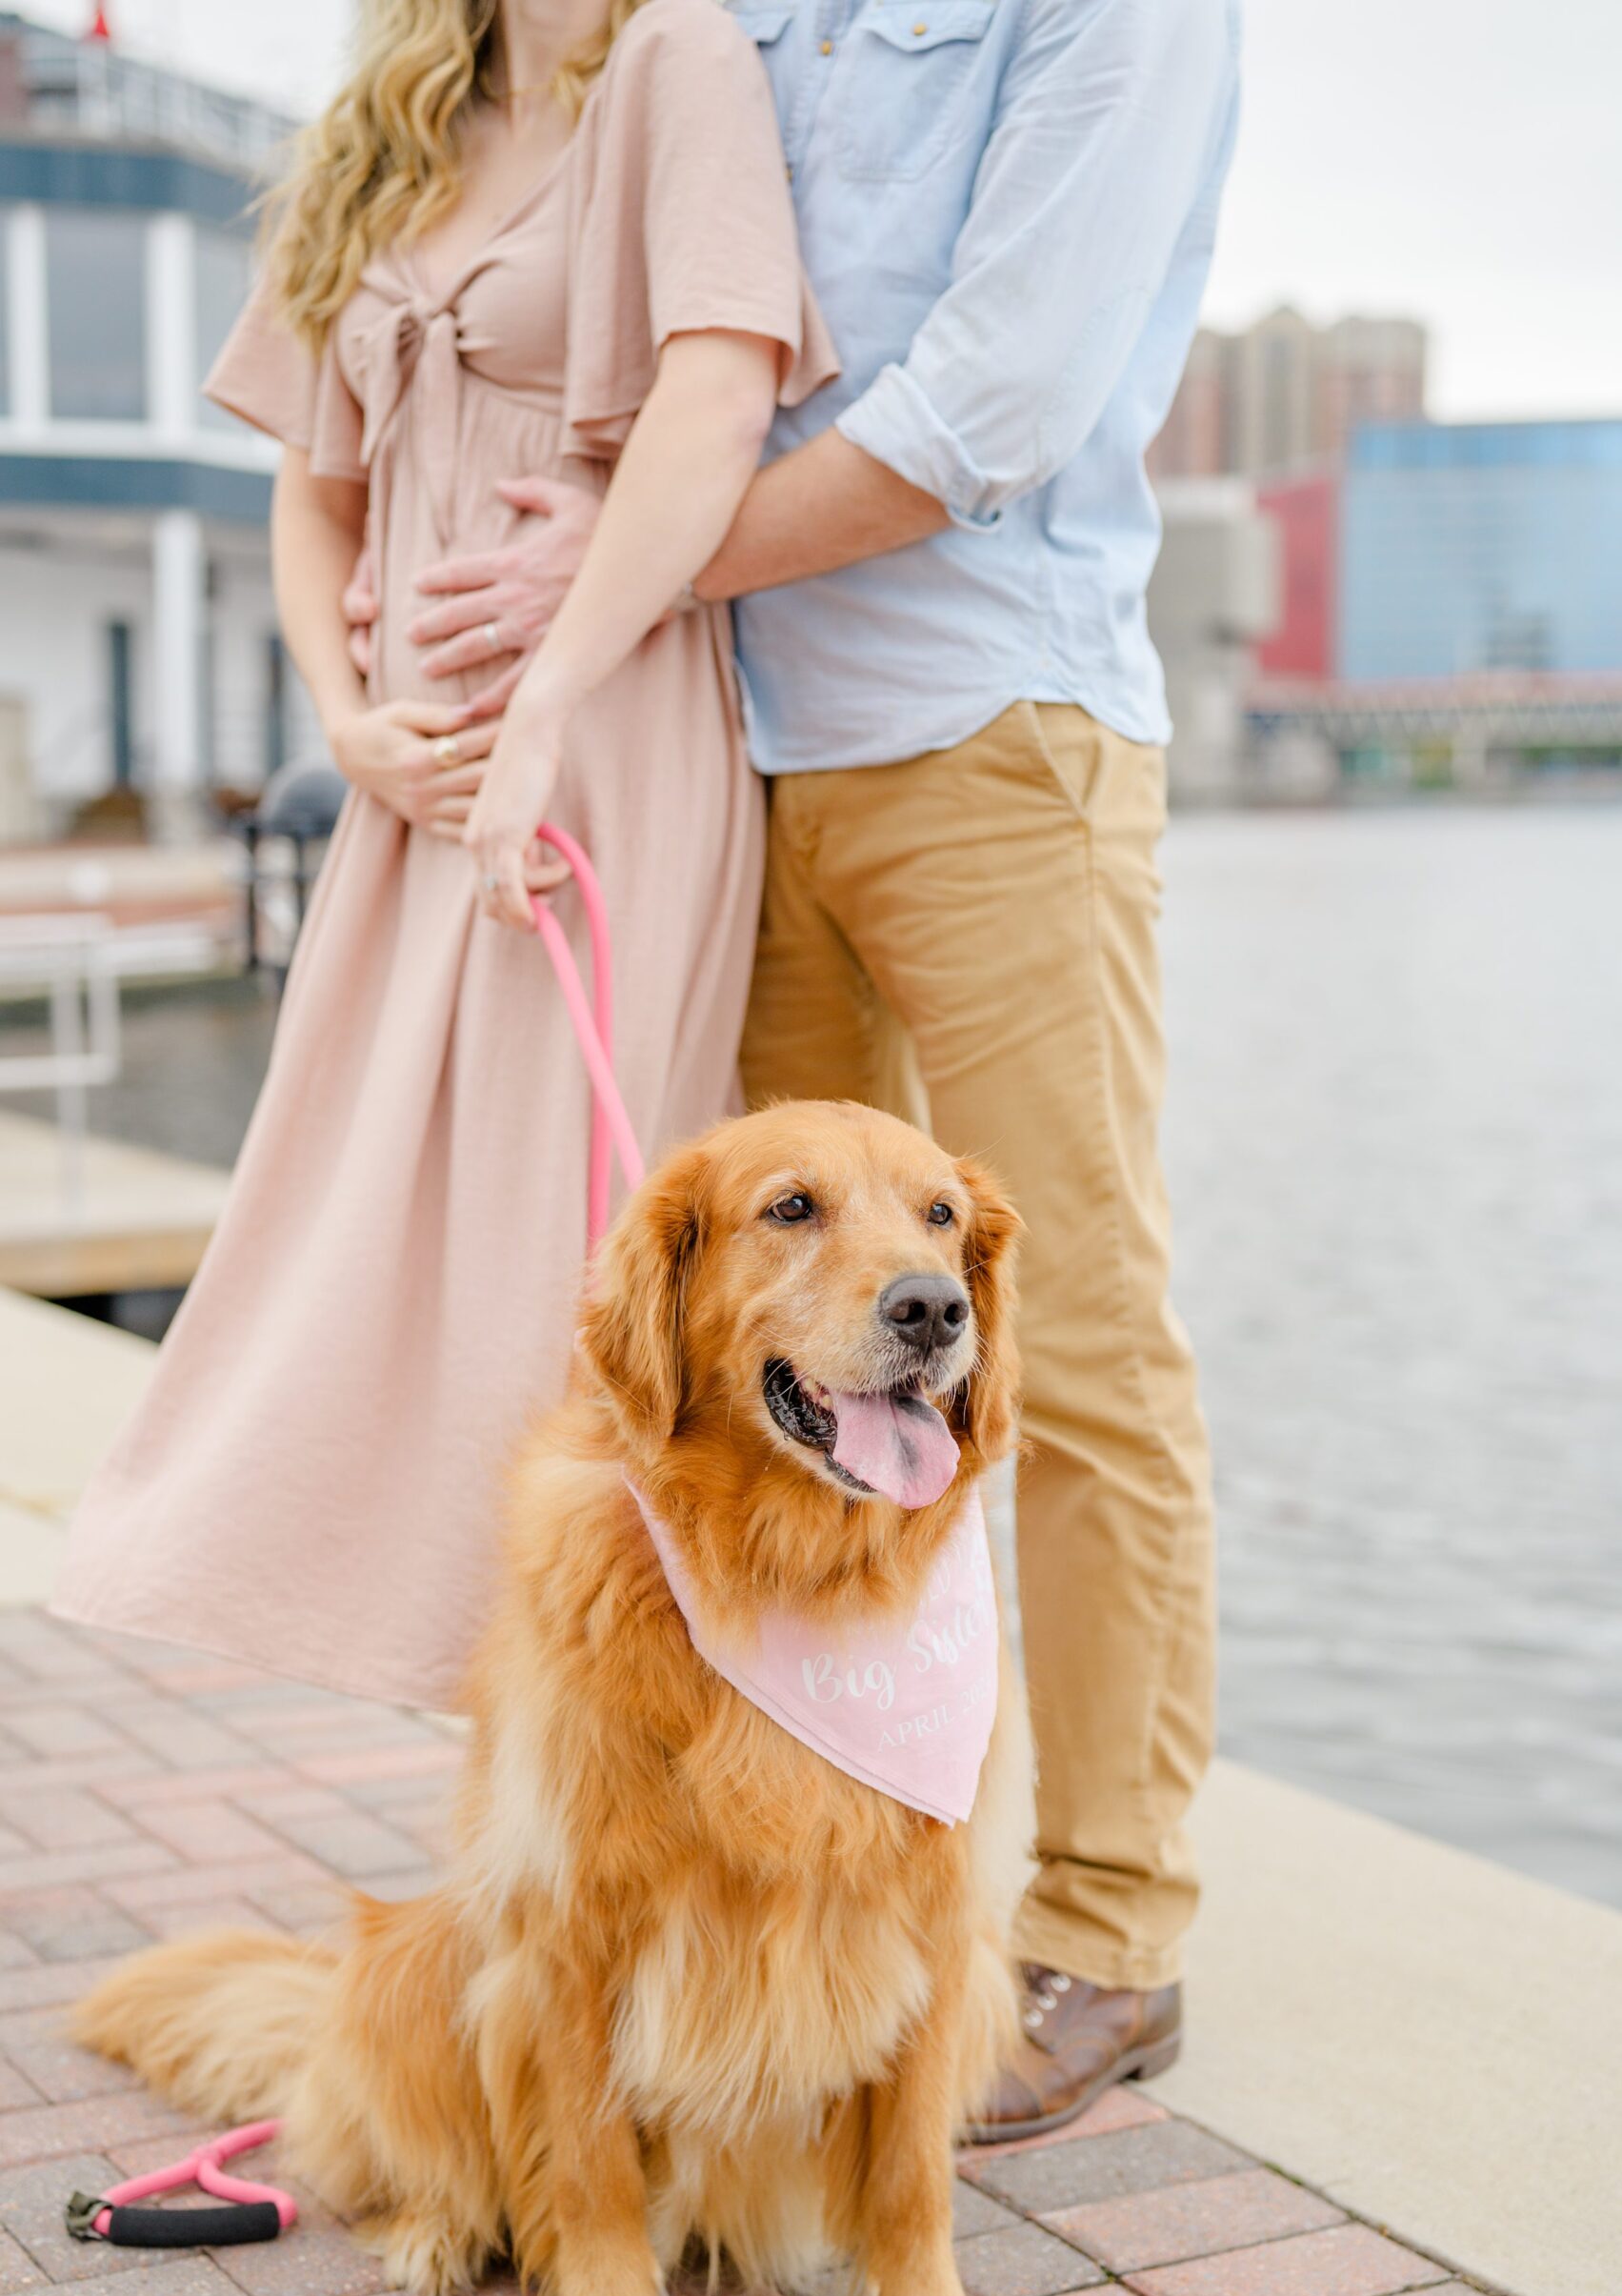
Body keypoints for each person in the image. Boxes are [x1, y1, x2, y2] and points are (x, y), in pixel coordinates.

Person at [352, 0, 1243, 2134]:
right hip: (731, 760)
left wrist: (625, 557)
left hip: (992, 743)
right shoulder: (728, 12)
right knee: (768, 1375)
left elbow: (987, 408)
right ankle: (786, 1880)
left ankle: (1107, 1933)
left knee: (1076, 1352)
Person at [50, 0, 833, 1710]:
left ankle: (585, 1738)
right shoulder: (391, 118)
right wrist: (344, 721)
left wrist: (547, 702)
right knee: (353, 1231)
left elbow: (714, 404)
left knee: (548, 1250)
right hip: (413, 781)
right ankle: (477, 1721)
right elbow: (311, 492)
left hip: (602, 739)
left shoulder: (676, 60)